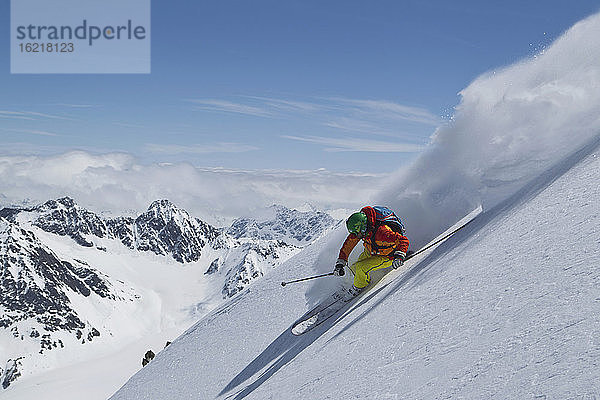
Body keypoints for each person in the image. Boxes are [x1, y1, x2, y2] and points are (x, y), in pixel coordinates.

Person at [333, 206, 409, 297]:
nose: (357, 236)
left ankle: (358, 287)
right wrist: (340, 263)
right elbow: (348, 245)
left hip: (387, 256)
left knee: (361, 268)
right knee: (353, 268)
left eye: (358, 233)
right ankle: (349, 283)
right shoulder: (361, 230)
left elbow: (403, 240)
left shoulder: (382, 232)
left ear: (363, 227)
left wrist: (399, 256)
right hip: (372, 250)